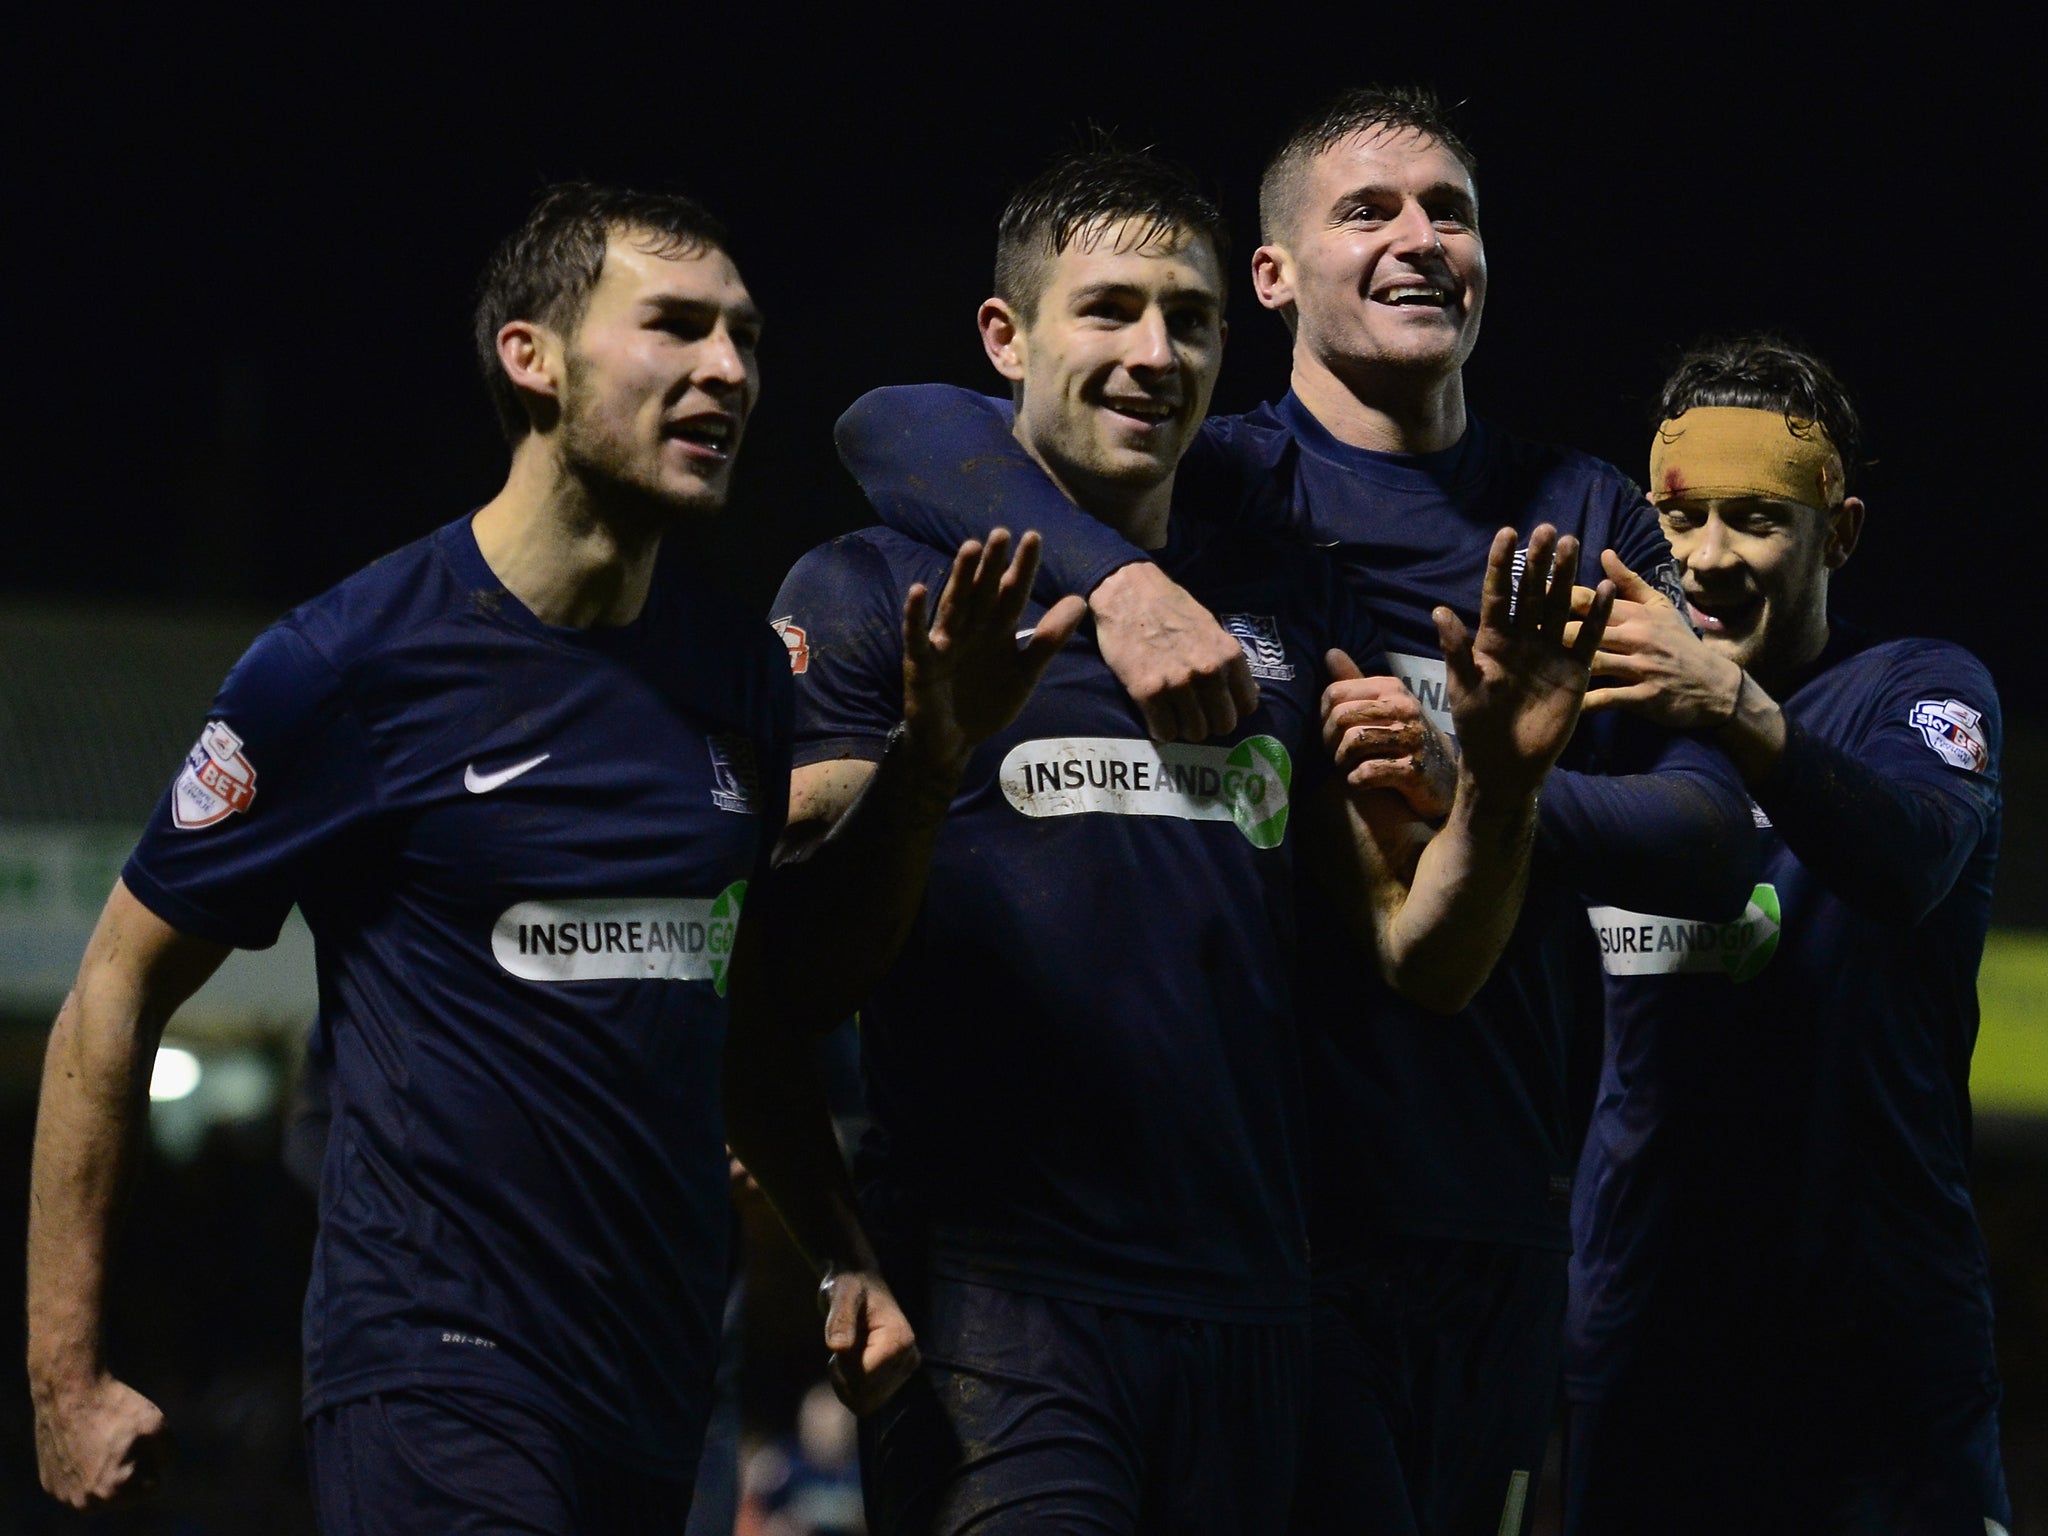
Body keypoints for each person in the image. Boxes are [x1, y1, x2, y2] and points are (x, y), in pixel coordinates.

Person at [835, 88, 1754, 1535]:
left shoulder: (1579, 513)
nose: (1419, 238)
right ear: (1272, 280)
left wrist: (1483, 791)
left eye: (1449, 210)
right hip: (1280, 1235)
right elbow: (895, 424)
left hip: (1499, 1207)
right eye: (1368, 209)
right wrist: (1127, 582)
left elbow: (1710, 836)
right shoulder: (1220, 480)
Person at [23, 182, 927, 1531]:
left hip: (662, 1382)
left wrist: (839, 1254)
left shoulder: (738, 672)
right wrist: (63, 1373)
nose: (729, 369)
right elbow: (112, 991)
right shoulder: (347, 665)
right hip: (435, 1366)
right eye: (675, 326)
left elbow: (726, 1019)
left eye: (743, 336)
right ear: (534, 357)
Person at [1561, 336, 2012, 1535]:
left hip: (1877, 1364)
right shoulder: (1597, 723)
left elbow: (1907, 858)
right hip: (1640, 1342)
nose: (1704, 559)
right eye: (1681, 515)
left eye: (1754, 518)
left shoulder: (1918, 692)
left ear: (1839, 534)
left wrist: (1733, 709)